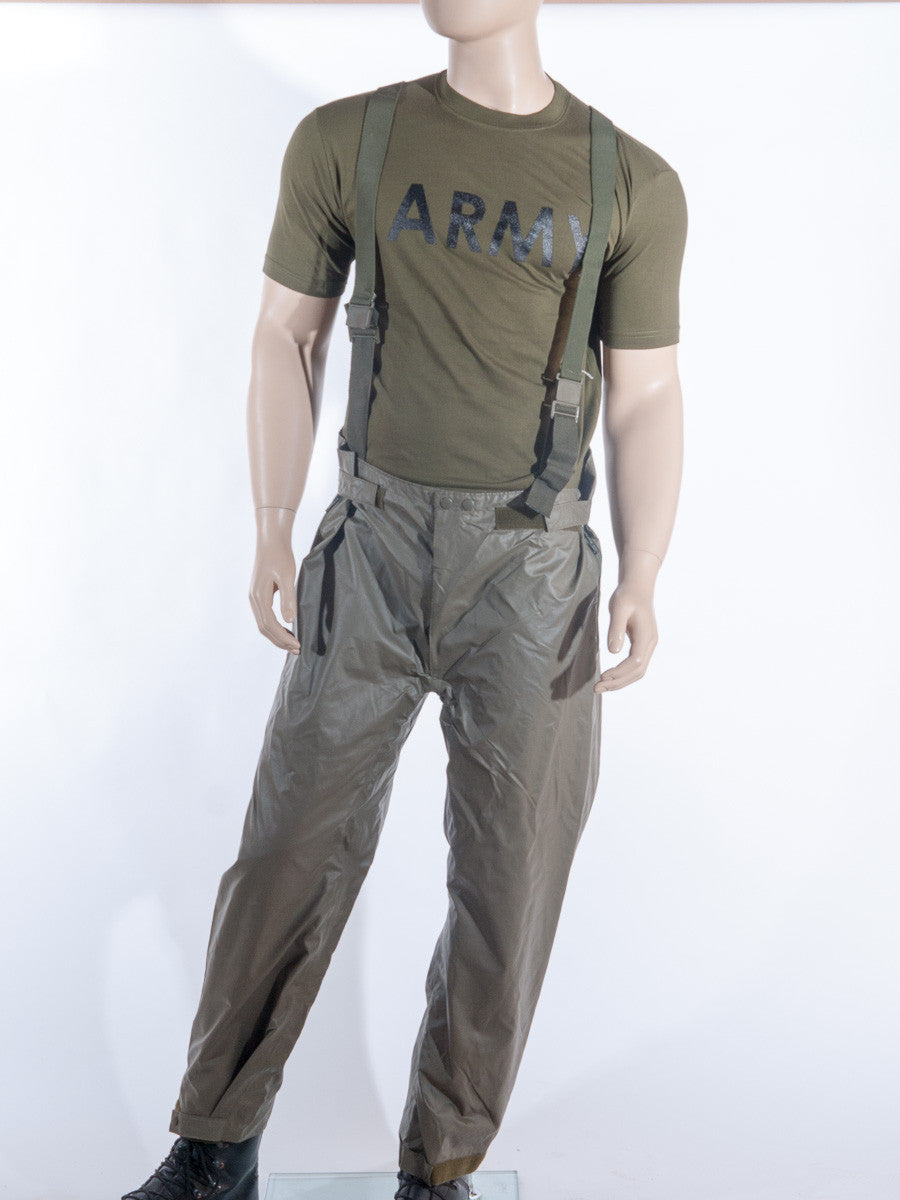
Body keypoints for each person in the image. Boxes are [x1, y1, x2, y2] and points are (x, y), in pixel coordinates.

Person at [121, 2, 687, 1198]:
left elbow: (645, 395)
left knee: (510, 883)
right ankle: (215, 1146)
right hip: (369, 550)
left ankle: (443, 1169)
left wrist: (644, 570)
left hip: (533, 575)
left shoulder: (632, 182)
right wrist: (272, 522)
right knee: (287, 849)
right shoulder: (346, 142)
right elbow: (284, 336)